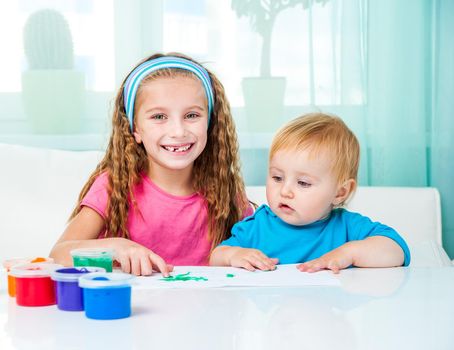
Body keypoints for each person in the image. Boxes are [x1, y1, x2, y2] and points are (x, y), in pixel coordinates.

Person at [50, 53, 252, 276]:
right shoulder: (115, 186)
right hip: (130, 308)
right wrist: (116, 246)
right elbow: (58, 255)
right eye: (158, 117)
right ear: (135, 128)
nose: (178, 131)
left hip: (207, 308)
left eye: (192, 115)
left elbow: (264, 251)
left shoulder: (225, 191)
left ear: (210, 122)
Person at [210, 113, 411, 273]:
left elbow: (397, 251)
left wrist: (349, 253)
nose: (285, 191)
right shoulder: (257, 226)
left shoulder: (347, 227)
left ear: (340, 192)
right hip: (276, 320)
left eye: (303, 183)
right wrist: (234, 255)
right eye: (277, 178)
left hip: (326, 317)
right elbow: (216, 257)